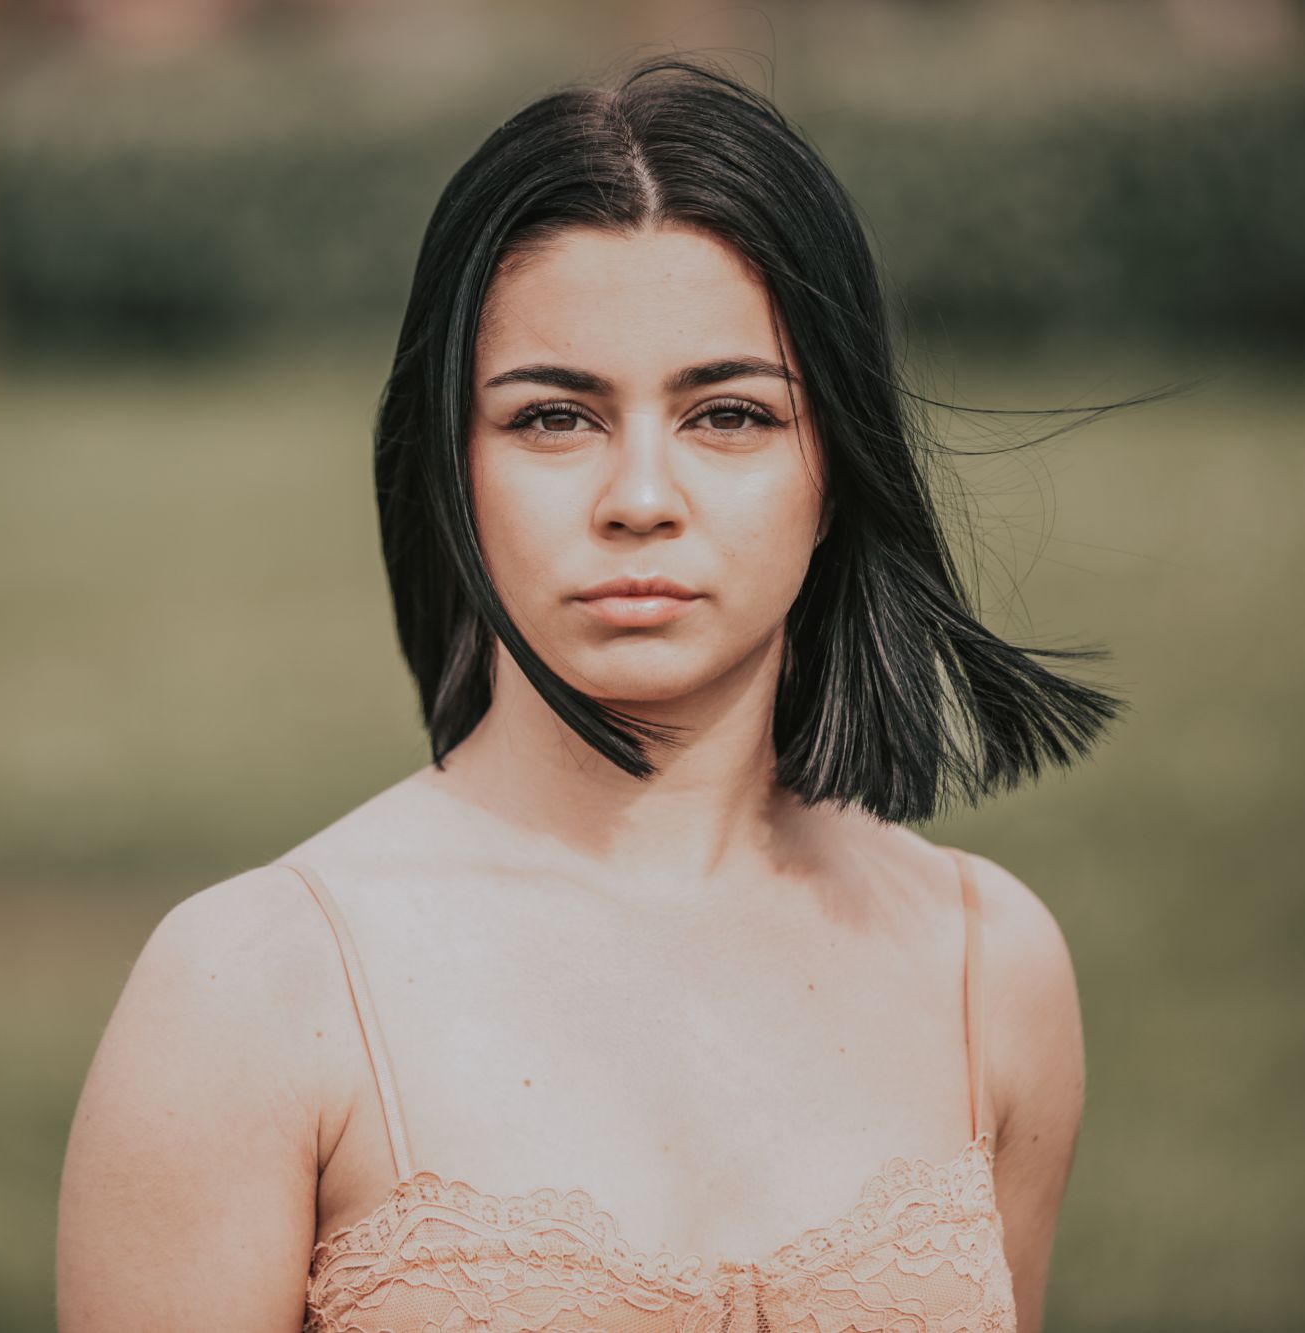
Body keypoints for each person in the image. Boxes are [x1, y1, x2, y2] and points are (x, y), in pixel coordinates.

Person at [57, 53, 1137, 1333]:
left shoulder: (989, 965)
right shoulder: (252, 989)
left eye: (729, 414)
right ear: (452, 466)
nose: (638, 496)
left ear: (835, 465)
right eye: (553, 418)